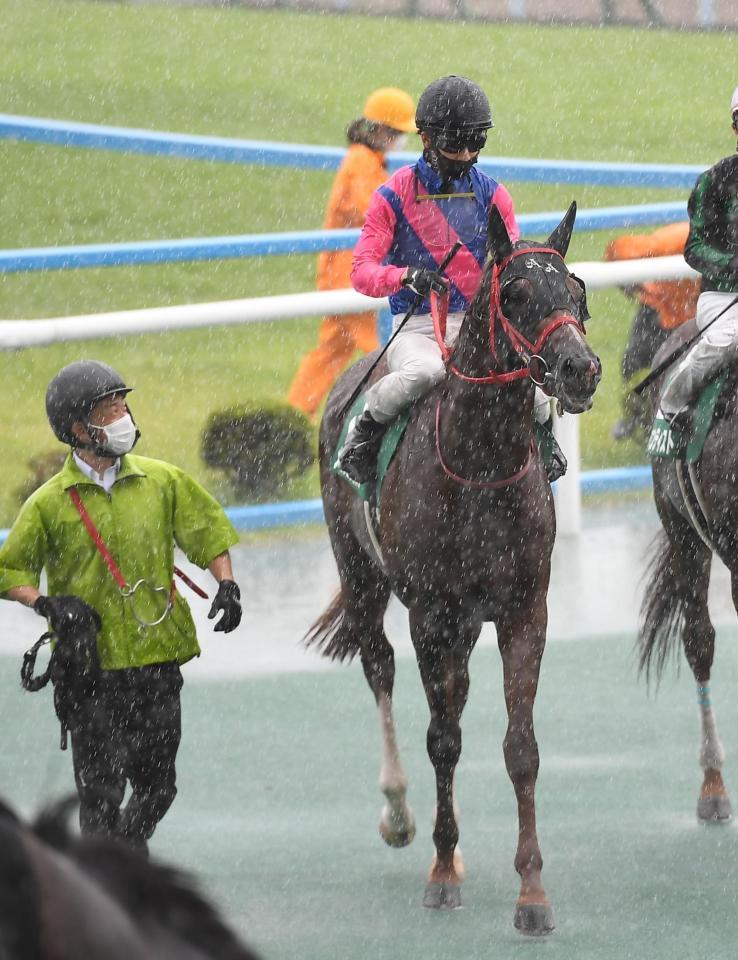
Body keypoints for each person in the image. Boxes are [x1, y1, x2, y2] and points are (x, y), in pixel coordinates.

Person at [0, 360, 242, 852]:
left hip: (156, 657)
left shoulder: (162, 480)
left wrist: (227, 584)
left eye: (123, 404)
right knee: (100, 798)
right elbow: (10, 571)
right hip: (89, 669)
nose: (123, 414)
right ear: (76, 427)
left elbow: (206, 532)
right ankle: (111, 882)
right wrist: (46, 603)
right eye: (110, 408)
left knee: (159, 787)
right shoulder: (48, 502)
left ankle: (121, 858)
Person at [336, 74, 566, 484]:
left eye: (473, 144)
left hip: (481, 327)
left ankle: (545, 445)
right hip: (419, 327)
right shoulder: (391, 196)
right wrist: (405, 276)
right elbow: (362, 274)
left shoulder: (494, 195)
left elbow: (510, 266)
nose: (464, 155)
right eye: (453, 145)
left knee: (535, 382)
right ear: (425, 138)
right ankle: (364, 432)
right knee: (426, 374)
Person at [287, 88, 416, 419]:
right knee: (382, 350)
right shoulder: (362, 161)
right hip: (351, 275)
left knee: (331, 352)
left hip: (343, 272)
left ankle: (293, 417)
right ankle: (391, 414)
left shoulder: (368, 160)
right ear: (381, 131)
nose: (402, 140)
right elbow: (373, 209)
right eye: (399, 133)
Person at [660, 88, 738, 429]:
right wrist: (733, 265)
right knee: (728, 339)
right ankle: (673, 400)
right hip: (722, 298)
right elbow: (695, 248)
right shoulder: (715, 181)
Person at [604, 222, 700, 439]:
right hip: (658, 309)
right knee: (634, 365)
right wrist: (629, 280)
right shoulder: (672, 241)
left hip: (695, 315)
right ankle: (637, 419)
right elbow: (619, 250)